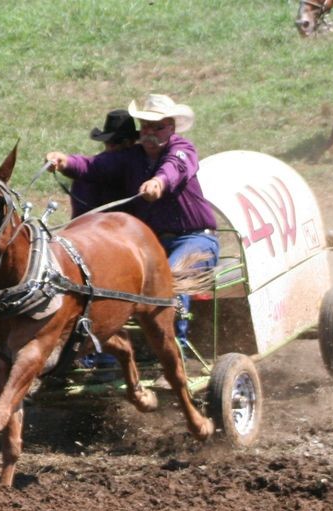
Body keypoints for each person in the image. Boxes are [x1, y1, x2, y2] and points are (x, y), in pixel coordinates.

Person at [46, 94, 219, 349]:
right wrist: (66, 162)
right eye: (146, 126)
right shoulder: (131, 157)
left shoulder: (182, 149)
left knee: (167, 280)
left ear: (171, 128)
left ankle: (175, 347)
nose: (150, 132)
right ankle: (100, 347)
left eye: (158, 127)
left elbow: (174, 169)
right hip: (152, 245)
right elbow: (94, 166)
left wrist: (159, 182)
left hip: (195, 238)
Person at [59, 109, 139, 218]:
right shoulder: (110, 164)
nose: (110, 146)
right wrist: (66, 162)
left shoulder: (93, 168)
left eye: (112, 142)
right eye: (109, 142)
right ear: (129, 142)